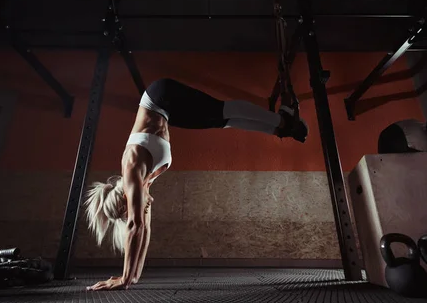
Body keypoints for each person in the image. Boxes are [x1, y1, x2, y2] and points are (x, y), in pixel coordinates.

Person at [84, 78, 308, 291]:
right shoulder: (144, 183)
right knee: (222, 121)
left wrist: (122, 279)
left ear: (125, 197)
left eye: (131, 209)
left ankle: (283, 120)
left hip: (159, 95)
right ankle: (281, 127)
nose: (140, 210)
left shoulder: (132, 168)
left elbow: (135, 225)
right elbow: (145, 227)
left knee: (221, 111)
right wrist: (133, 276)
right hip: (166, 110)